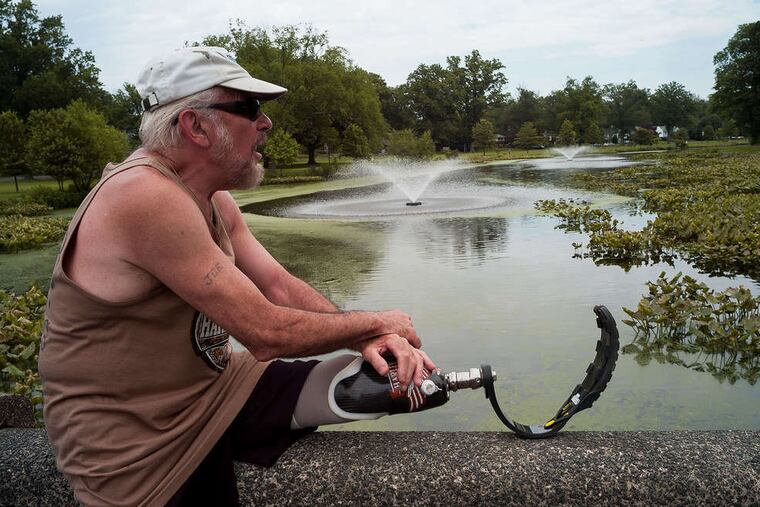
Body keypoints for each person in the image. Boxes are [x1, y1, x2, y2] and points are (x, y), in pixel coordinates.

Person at [38, 46, 435, 507]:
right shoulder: (141, 195)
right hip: (136, 436)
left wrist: (370, 340)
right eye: (249, 108)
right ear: (197, 126)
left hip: (217, 386)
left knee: (403, 381)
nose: (266, 123)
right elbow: (265, 332)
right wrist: (376, 322)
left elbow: (279, 286)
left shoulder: (211, 198)